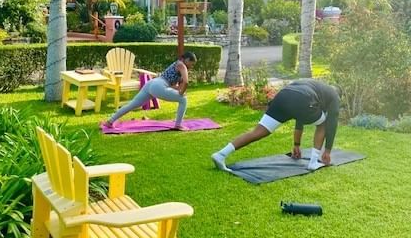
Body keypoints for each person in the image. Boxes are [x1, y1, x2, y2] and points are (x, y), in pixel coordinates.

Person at [211, 79, 340, 172]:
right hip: (301, 98)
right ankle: (313, 162)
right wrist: (327, 151)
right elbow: (332, 124)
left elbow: (300, 117)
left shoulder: (316, 86)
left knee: (258, 132)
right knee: (324, 123)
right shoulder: (334, 96)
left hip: (282, 96)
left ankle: (221, 154)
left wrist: (296, 145)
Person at [104, 51, 197, 130]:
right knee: (183, 99)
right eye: (192, 64)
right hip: (159, 85)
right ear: (187, 60)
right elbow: (186, 82)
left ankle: (110, 121)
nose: (191, 66)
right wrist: (181, 93)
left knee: (132, 104)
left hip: (152, 84)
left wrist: (179, 90)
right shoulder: (182, 65)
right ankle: (178, 125)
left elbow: (175, 86)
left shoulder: (177, 65)